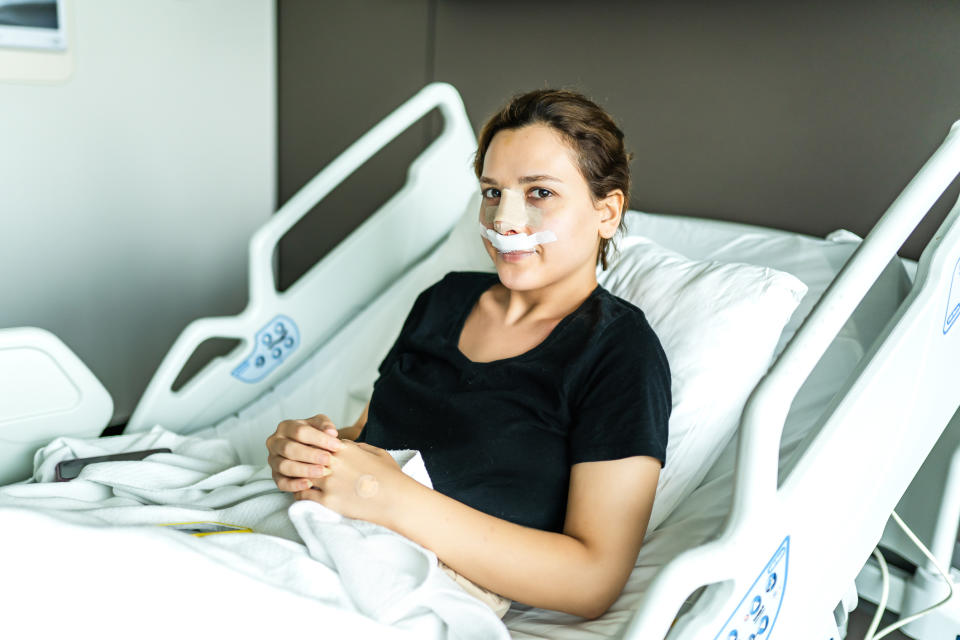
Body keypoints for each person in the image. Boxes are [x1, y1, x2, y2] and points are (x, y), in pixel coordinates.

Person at [266, 88, 671, 621]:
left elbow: (592, 580)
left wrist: (384, 496)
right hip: (313, 532)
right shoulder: (444, 299)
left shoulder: (619, 352)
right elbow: (371, 436)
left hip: (412, 584)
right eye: (492, 192)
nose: (505, 220)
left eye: (540, 193)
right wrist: (308, 451)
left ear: (607, 211)